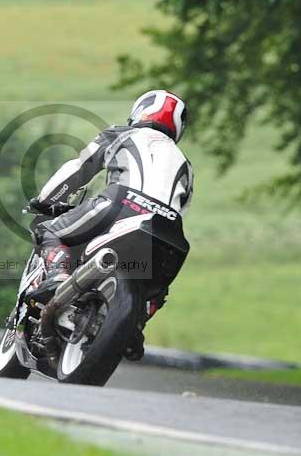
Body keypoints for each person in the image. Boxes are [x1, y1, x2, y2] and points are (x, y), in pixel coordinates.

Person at [27, 90, 194, 358]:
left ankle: (58, 276)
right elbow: (181, 208)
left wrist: (45, 201)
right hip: (168, 230)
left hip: (119, 205)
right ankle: (136, 324)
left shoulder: (121, 134)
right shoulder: (185, 165)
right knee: (157, 288)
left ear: (140, 111)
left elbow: (79, 168)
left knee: (51, 232)